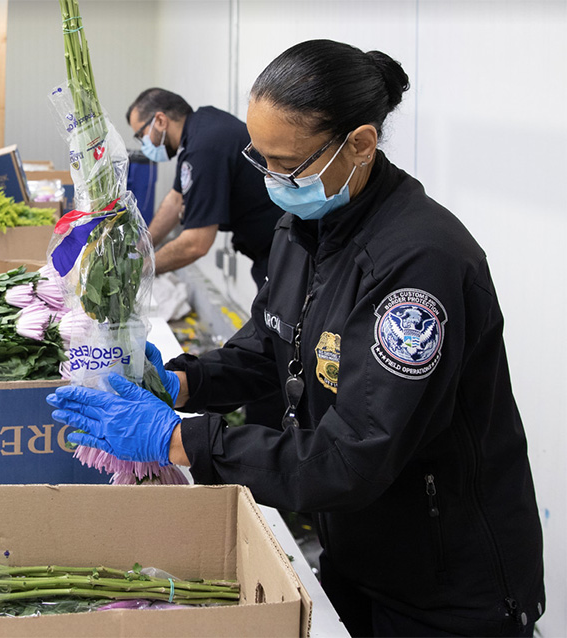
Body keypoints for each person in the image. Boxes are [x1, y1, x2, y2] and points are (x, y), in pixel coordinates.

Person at [51, 40, 545, 637]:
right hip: (357, 546)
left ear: (359, 145)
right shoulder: (305, 224)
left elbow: (351, 455)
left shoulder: (418, 268)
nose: (270, 180)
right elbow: (271, 342)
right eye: (258, 158)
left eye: (285, 163)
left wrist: (181, 439)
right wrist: (183, 379)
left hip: (443, 579)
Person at [126, 88, 283, 291]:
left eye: (141, 135)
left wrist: (138, 270)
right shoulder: (200, 131)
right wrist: (140, 248)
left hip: (285, 250)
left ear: (160, 121)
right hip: (271, 249)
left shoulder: (204, 148)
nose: (144, 143)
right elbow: (175, 201)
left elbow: (195, 244)